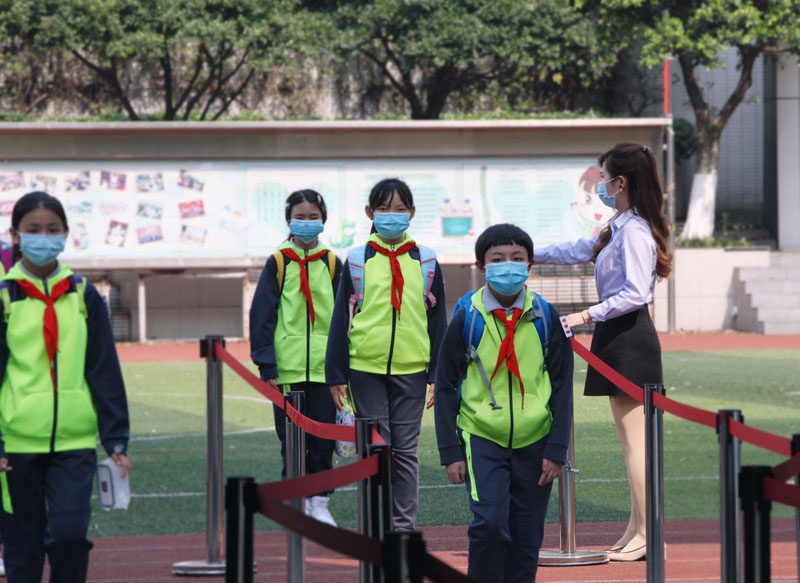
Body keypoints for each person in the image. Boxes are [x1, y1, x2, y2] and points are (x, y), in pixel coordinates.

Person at [534, 143, 672, 562]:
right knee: (631, 443)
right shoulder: (619, 225)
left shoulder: (634, 231)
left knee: (637, 445)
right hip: (617, 335)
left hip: (629, 336)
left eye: (605, 179)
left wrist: (582, 316)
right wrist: (526, 252)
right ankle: (638, 528)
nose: (602, 186)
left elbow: (635, 293)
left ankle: (651, 535)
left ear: (621, 182)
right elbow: (579, 251)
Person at [0, 191, 131, 582]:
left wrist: (116, 438)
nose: (44, 237)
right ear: (16, 235)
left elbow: (103, 368)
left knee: (70, 537)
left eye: (53, 229)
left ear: (66, 235)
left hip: (74, 443)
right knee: (23, 549)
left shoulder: (83, 295)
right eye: (34, 229)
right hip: (16, 444)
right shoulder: (6, 297)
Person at [434, 223, 573, 583]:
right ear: (482, 266)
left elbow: (561, 385)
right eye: (497, 259)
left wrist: (557, 447)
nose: (507, 265)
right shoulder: (467, 315)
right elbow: (446, 386)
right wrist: (450, 450)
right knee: (491, 524)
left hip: (536, 439)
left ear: (529, 266)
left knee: (527, 535)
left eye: (517, 258)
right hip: (482, 438)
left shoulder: (545, 316)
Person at [326, 177, 446, 532]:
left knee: (406, 452)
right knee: (375, 448)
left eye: (399, 209)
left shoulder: (426, 261)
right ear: (370, 213)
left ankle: (403, 529)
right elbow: (339, 320)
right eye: (383, 209)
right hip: (365, 369)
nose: (391, 215)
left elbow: (438, 320)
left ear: (411, 213)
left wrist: (436, 372)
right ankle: (375, 524)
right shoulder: (356, 260)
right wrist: (336, 373)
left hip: (412, 368)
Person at [249, 189, 342, 527]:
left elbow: (346, 314)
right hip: (286, 370)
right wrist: (266, 361)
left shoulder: (332, 262)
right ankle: (296, 498)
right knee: (291, 438)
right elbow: (263, 314)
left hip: (325, 370)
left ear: (323, 219)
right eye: (300, 217)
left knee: (323, 437)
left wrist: (341, 364)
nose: (306, 222)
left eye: (312, 216)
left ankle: (319, 502)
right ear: (289, 219)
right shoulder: (278, 261)